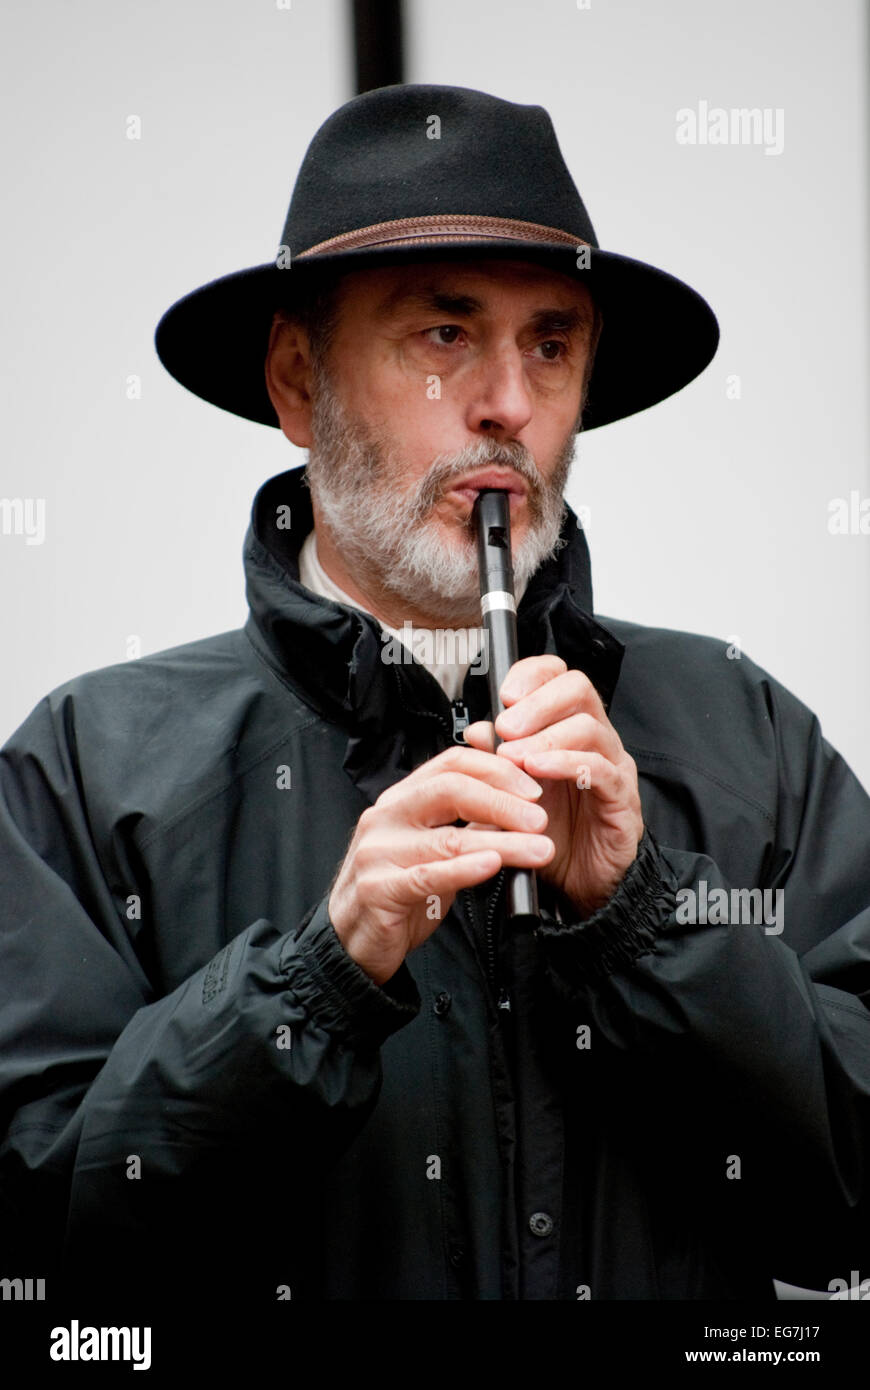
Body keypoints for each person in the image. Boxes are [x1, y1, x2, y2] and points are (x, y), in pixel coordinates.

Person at [1, 82, 869, 1307]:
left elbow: (844, 1209)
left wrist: (647, 920)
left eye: (552, 343)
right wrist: (319, 979)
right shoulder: (88, 767)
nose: (508, 404)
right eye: (444, 335)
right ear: (300, 382)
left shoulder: (750, 736)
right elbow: (44, 1252)